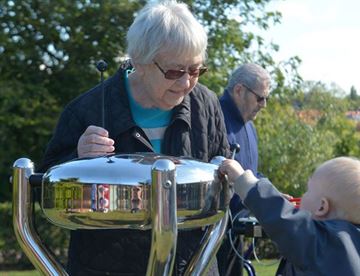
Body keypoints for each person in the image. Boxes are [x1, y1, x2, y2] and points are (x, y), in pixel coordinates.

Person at [39, 1, 230, 275]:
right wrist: (76, 159)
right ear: (140, 61)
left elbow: (222, 178)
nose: (186, 83)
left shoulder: (207, 105)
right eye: (175, 71)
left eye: (196, 70)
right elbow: (45, 185)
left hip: (193, 266)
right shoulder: (87, 110)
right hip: (107, 267)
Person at [219, 156, 360, 275]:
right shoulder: (350, 245)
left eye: (308, 190)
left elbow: (283, 218)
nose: (303, 196)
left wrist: (244, 181)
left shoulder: (326, 243)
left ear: (322, 207)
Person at [219, 63, 271, 214]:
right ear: (239, 91)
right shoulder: (213, 119)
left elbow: (251, 173)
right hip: (219, 230)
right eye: (260, 98)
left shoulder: (249, 126)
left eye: (266, 98)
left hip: (240, 232)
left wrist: (271, 195)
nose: (264, 105)